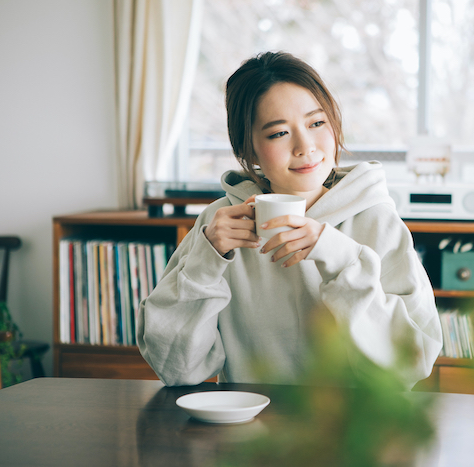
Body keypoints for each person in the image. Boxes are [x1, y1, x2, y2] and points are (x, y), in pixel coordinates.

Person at [137, 51, 443, 388]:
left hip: (355, 429)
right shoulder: (218, 224)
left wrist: (342, 259)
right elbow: (175, 368)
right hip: (250, 428)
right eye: (278, 133)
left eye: (316, 123)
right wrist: (205, 261)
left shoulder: (377, 221)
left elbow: (412, 364)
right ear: (248, 149)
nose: (305, 146)